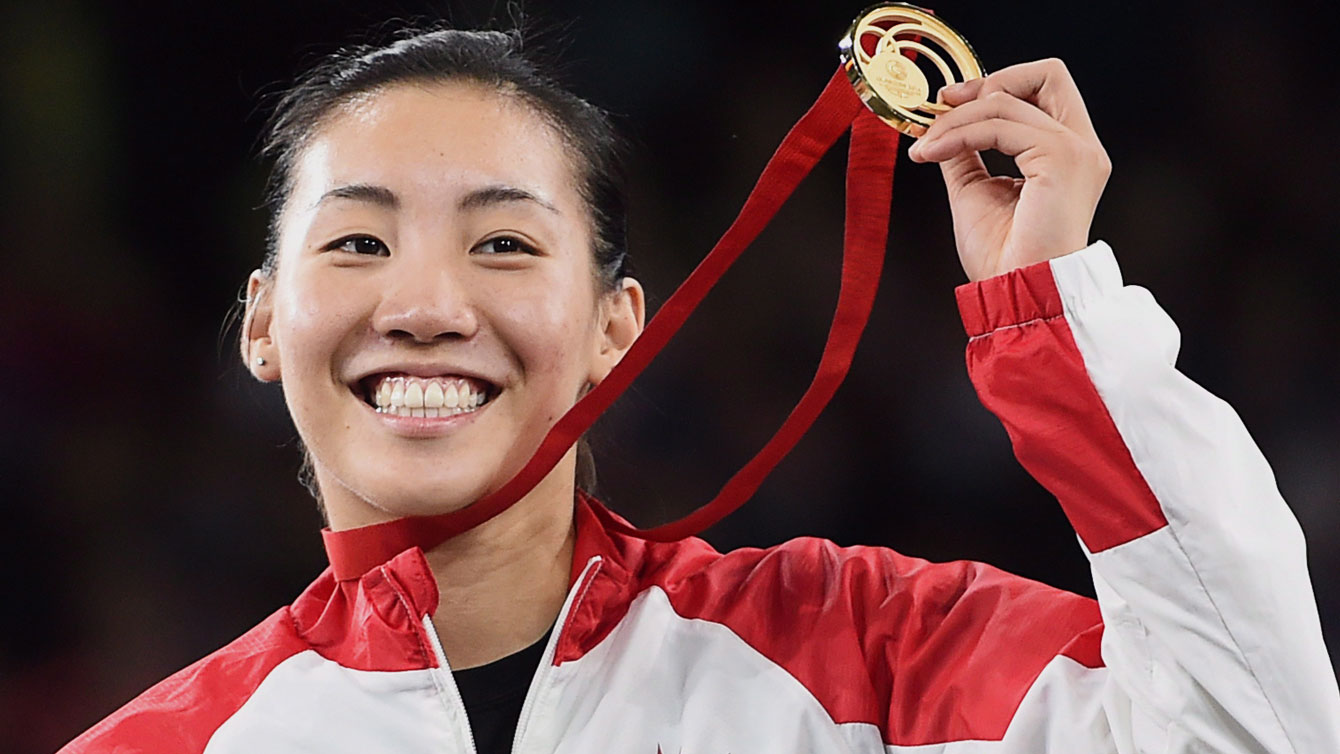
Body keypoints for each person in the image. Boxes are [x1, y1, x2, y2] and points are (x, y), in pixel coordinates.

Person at [60, 25, 1339, 754]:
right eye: (356, 241)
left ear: (619, 326)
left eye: (504, 242)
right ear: (263, 323)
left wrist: (1050, 315)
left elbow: (1250, 727)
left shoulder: (857, 652)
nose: (428, 306)